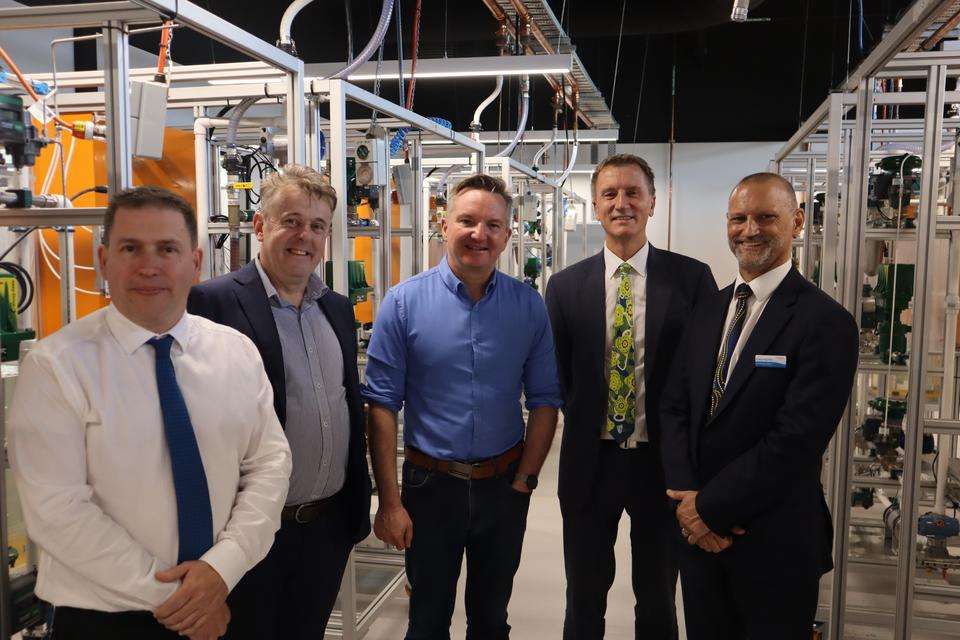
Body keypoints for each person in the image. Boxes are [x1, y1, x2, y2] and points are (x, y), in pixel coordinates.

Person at [8, 186, 292, 640]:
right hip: (106, 621)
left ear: (195, 262)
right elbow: (57, 511)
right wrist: (180, 599)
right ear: (104, 260)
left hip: (229, 595)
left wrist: (222, 569)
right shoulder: (56, 367)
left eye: (167, 249)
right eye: (130, 248)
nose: (149, 265)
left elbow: (270, 465)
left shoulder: (235, 352)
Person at [363, 173, 561, 640]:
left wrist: (526, 481)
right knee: (427, 620)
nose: (480, 235)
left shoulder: (528, 306)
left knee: (492, 619)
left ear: (508, 236)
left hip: (503, 488)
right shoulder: (404, 303)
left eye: (493, 225)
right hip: (430, 487)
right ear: (444, 224)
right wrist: (390, 502)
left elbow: (546, 399)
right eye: (468, 221)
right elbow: (382, 405)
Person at [660, 172, 858, 640]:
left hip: (774, 541)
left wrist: (709, 509)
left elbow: (795, 441)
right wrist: (688, 500)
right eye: (739, 218)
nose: (750, 229)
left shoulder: (825, 322)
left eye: (766, 217)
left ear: (797, 222)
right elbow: (673, 407)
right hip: (700, 541)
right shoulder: (707, 309)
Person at [187, 164, 372, 640]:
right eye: (290, 221)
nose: (303, 236)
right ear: (260, 226)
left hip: (327, 527)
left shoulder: (335, 307)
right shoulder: (212, 303)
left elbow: (346, 404)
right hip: (247, 535)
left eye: (316, 226)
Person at [544, 154, 717, 639]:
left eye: (633, 192)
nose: (622, 203)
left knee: (659, 597)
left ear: (653, 203)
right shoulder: (564, 287)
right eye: (610, 194)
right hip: (589, 462)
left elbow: (702, 376)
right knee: (583, 595)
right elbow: (555, 374)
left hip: (662, 466)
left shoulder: (692, 280)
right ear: (596, 207)